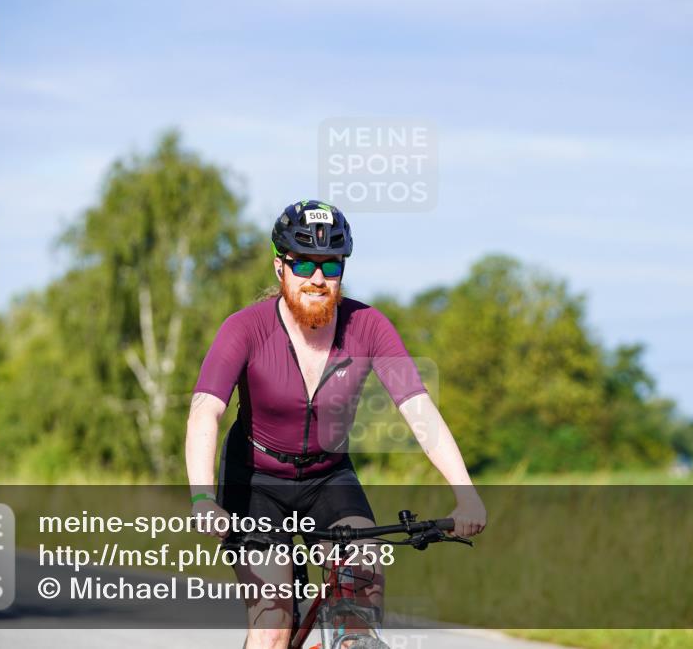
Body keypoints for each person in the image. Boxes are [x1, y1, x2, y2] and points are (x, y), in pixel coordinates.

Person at [185, 200, 486, 649]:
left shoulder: (367, 326)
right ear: (279, 266)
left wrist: (466, 493)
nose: (317, 278)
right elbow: (204, 411)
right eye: (303, 263)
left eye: (330, 266)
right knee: (273, 623)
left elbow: (419, 409)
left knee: (360, 593)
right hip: (255, 481)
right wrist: (203, 498)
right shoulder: (245, 328)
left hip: (328, 478)